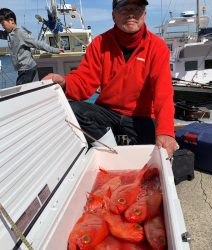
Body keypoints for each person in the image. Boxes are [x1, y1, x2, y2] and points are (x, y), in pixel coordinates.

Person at [43, 0, 178, 157]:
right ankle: (111, 153)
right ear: (114, 15)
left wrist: (166, 131)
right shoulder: (99, 43)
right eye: (124, 9)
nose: (131, 14)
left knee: (154, 157)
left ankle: (109, 148)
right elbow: (84, 82)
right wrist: (65, 82)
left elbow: (163, 93)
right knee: (72, 110)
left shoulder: (157, 47)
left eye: (137, 9)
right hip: (108, 113)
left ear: (144, 14)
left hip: (141, 117)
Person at [0, 8, 64, 85]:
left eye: (3, 24)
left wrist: (55, 50)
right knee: (22, 89)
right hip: (22, 68)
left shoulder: (20, 33)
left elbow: (37, 43)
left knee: (21, 89)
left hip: (27, 68)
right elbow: (1, 34)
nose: (2, 26)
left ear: (11, 20)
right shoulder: (10, 33)